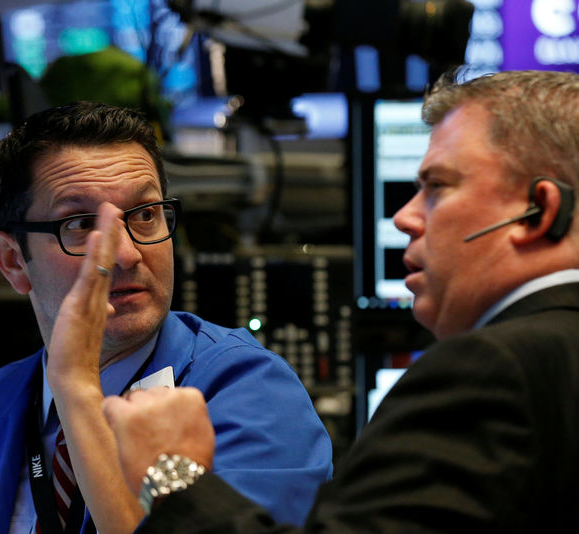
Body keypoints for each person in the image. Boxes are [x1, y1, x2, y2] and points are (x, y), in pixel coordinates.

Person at [100, 69, 579, 533]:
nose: (404, 218)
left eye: (437, 187)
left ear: (541, 211)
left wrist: (172, 477)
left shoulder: (491, 371)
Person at [0, 102, 333, 534]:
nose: (126, 254)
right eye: (80, 223)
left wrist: (77, 389)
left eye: (145, 215)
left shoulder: (246, 391)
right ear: (13, 261)